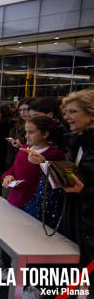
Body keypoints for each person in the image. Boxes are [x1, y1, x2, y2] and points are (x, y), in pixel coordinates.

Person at [60, 89, 94, 287]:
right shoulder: (77, 142)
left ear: (90, 114)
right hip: (77, 220)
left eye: (72, 111)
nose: (66, 117)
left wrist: (86, 190)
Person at [1, 116, 65, 208]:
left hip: (37, 204)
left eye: (31, 132)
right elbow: (14, 168)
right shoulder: (23, 149)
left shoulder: (55, 154)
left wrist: (44, 163)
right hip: (15, 199)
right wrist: (9, 176)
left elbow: (63, 178)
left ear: (45, 134)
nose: (26, 135)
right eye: (26, 132)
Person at [6, 97, 34, 166]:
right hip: (18, 161)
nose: (22, 112)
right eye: (20, 110)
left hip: (32, 162)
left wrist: (22, 146)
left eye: (25, 109)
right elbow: (11, 150)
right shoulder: (17, 125)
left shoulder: (38, 126)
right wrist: (16, 145)